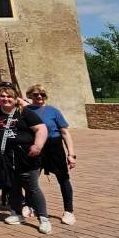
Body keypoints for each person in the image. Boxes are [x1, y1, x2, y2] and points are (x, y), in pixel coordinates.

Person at [0, 86, 51, 234]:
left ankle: (44, 218)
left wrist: (38, 145)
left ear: (15, 99)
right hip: (5, 156)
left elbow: (41, 129)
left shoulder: (25, 113)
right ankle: (17, 213)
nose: (6, 99)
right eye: (2, 96)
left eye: (9, 97)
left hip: (26, 156)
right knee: (12, 186)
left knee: (32, 187)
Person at [26, 85, 77, 225]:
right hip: (36, 147)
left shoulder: (53, 111)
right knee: (31, 178)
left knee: (63, 178)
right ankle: (29, 205)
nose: (39, 97)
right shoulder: (25, 111)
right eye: (36, 94)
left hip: (54, 146)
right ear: (30, 95)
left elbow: (65, 133)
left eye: (42, 94)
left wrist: (71, 154)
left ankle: (69, 211)